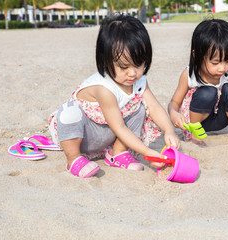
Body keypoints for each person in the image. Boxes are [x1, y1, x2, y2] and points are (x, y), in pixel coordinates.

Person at [48, 15, 180, 178]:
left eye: (138, 64)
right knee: (69, 112)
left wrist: (169, 130)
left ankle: (117, 153)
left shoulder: (139, 81)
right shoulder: (104, 88)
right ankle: (74, 159)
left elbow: (154, 107)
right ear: (105, 59)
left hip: (108, 134)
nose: (132, 73)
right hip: (83, 135)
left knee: (140, 108)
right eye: (124, 66)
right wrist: (147, 152)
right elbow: (120, 127)